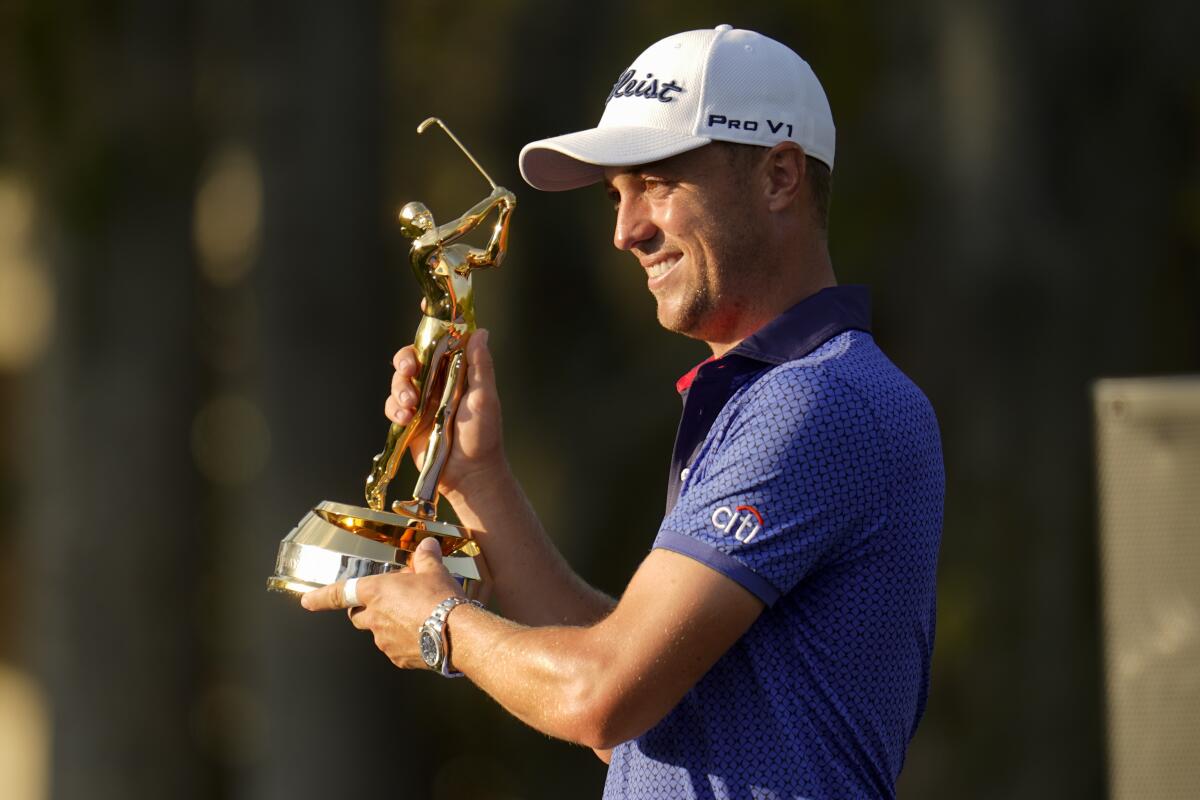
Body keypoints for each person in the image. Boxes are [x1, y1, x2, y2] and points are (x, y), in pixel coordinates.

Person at [303, 25, 944, 800]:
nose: (625, 230)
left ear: (780, 177)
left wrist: (444, 627)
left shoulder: (814, 400)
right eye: (617, 194)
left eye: (658, 182)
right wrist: (478, 476)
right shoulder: (776, 395)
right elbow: (648, 705)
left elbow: (600, 698)